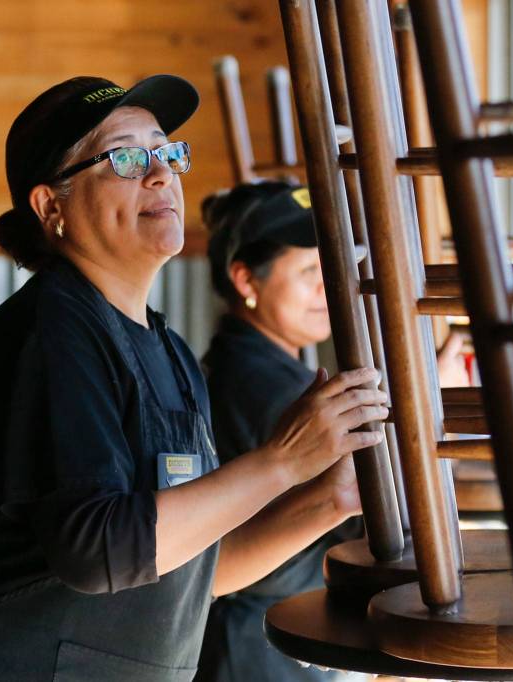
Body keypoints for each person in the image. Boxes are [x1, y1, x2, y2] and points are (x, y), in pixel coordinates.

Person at [0, 74, 388, 682]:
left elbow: (197, 570)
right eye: (127, 157)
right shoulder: (53, 330)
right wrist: (282, 462)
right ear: (52, 207)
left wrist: (331, 497)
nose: (161, 174)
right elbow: (98, 549)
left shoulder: (171, 350)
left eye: (167, 152)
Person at [196, 182, 363, 682]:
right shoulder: (267, 387)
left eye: (329, 269)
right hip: (256, 648)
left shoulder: (253, 364)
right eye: (309, 271)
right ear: (246, 280)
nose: (326, 288)